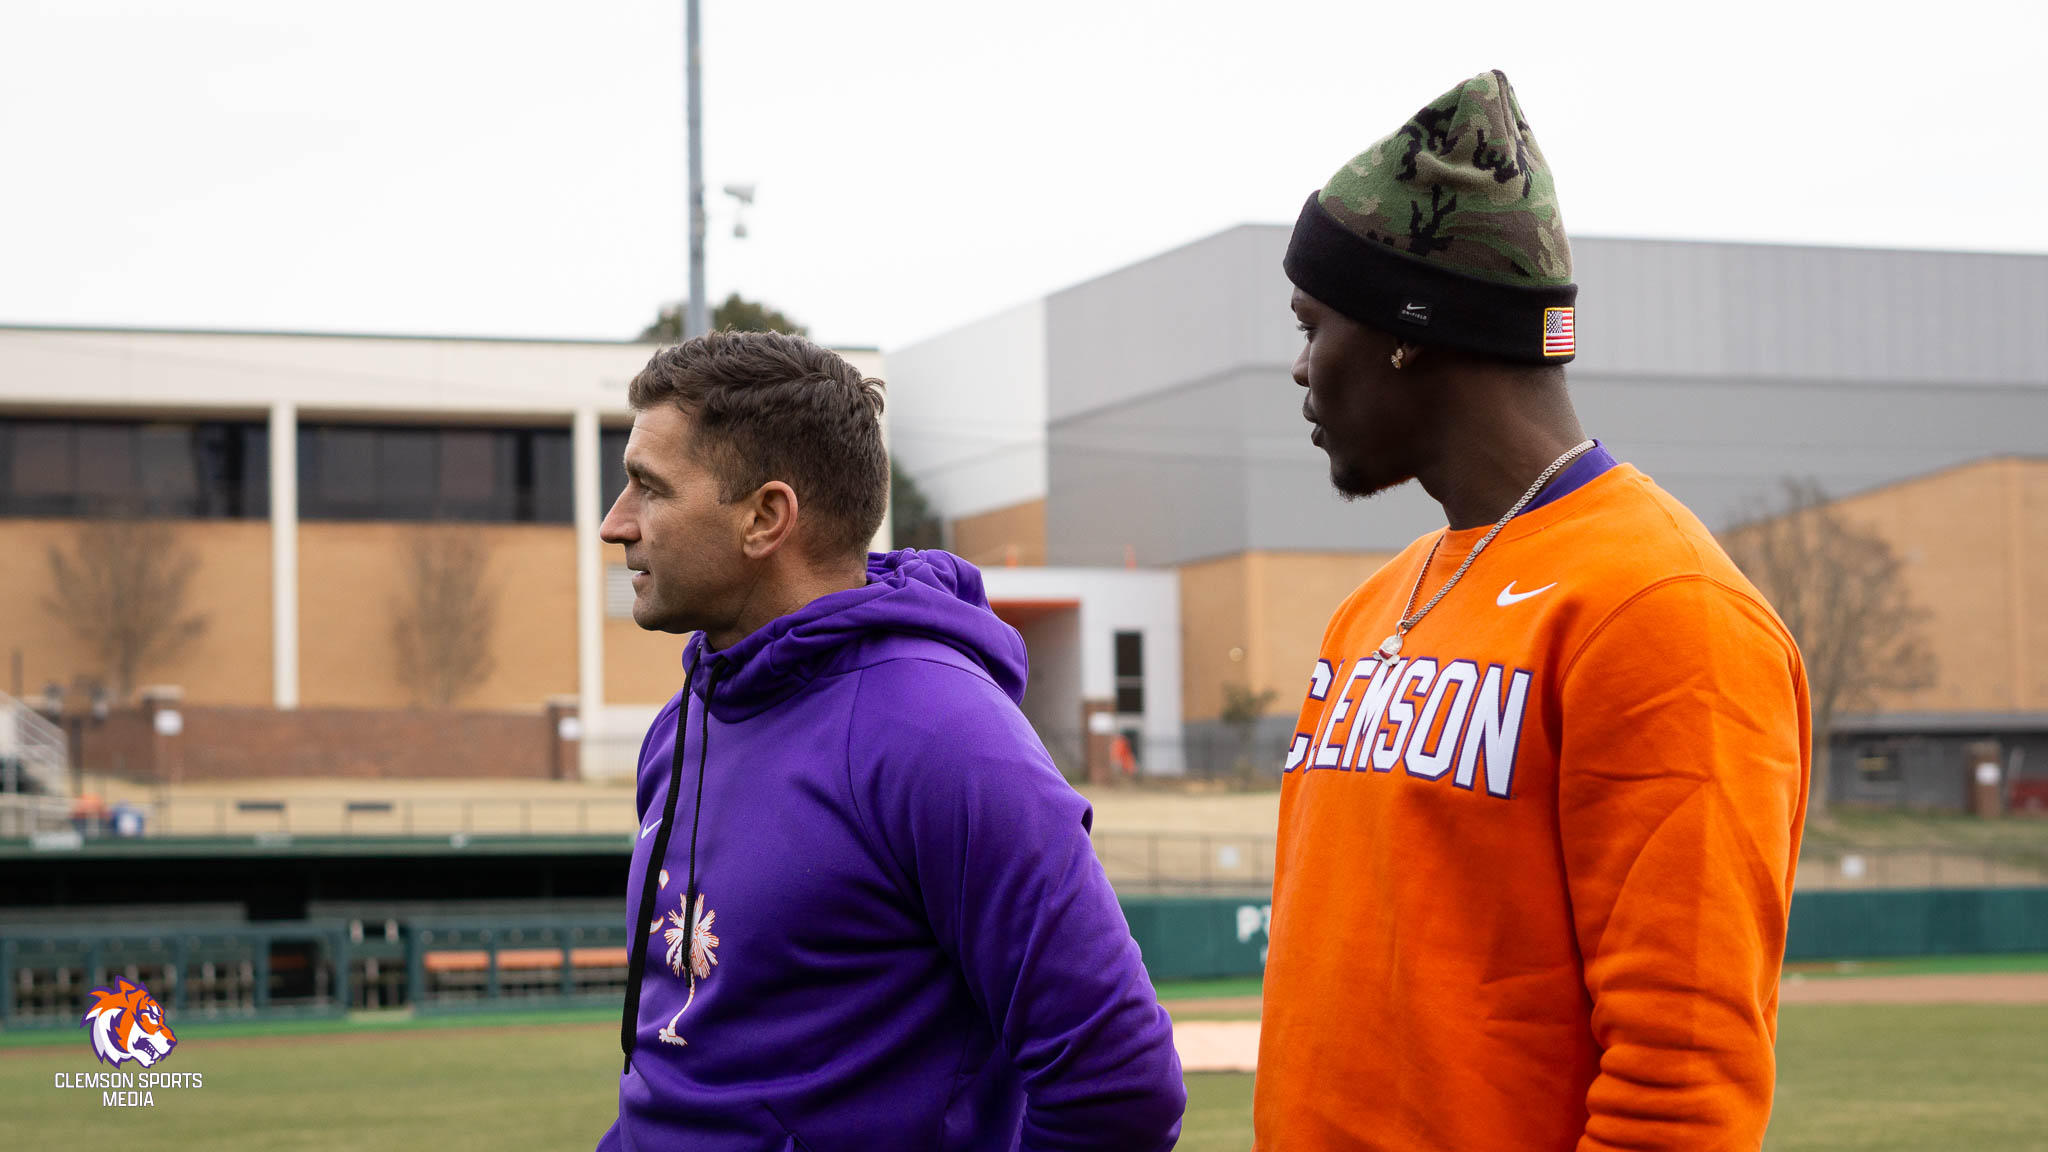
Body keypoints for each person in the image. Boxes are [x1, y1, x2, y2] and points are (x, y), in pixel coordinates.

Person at [1256, 71, 1810, 1150]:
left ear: (1403, 331)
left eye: (1310, 324)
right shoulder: (1376, 601)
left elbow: (1681, 1082)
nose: (1298, 367)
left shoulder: (1665, 612)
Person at [594, 331, 1184, 1152]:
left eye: (648, 490)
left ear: (766, 517)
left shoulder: (943, 735)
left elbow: (1118, 1083)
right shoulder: (683, 722)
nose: (614, 525)